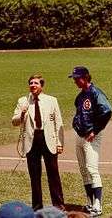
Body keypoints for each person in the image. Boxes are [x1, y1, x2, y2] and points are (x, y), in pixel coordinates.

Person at [12, 74, 65, 211]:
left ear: (42, 86)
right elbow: (14, 121)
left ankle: (58, 205)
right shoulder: (23, 101)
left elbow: (58, 123)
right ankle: (37, 207)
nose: (33, 85)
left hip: (48, 140)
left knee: (53, 174)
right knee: (34, 176)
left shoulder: (51, 100)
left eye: (36, 83)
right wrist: (22, 114)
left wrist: (60, 143)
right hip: (32, 140)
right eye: (31, 83)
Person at [68, 66, 112, 217]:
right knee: (83, 169)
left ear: (86, 77)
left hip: (92, 136)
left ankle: (98, 206)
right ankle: (90, 202)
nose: (74, 81)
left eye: (77, 78)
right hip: (80, 135)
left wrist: (95, 130)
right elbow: (79, 112)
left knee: (92, 169)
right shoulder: (80, 96)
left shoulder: (95, 93)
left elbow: (107, 111)